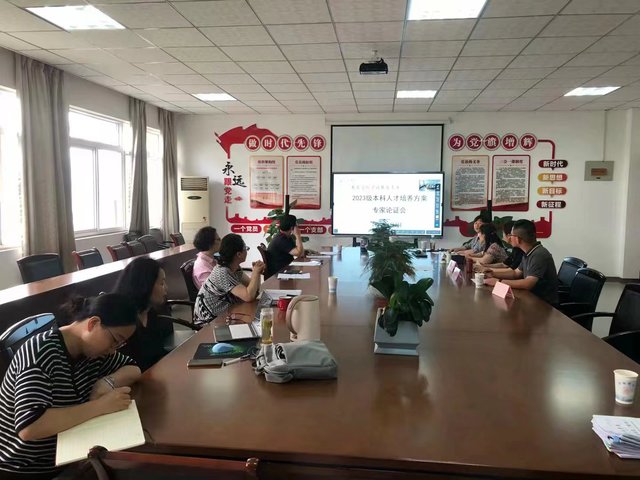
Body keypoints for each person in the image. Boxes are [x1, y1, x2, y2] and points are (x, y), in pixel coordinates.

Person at [0, 294, 140, 479]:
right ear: (93, 323)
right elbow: (29, 427)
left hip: (71, 451)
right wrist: (99, 406)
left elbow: (133, 369)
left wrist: (106, 382)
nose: (113, 349)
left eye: (120, 344)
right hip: (28, 468)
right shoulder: (40, 353)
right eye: (115, 340)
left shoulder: (91, 350)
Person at [113, 257, 173, 371]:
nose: (166, 288)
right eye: (161, 283)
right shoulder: (122, 322)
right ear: (145, 285)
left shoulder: (152, 312)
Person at [483, 220, 559, 305]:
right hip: (530, 298)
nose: (509, 237)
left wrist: (499, 282)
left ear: (517, 239)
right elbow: (516, 273)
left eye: (511, 235)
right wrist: (493, 274)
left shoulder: (539, 254)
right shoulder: (528, 252)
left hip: (544, 304)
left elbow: (528, 283)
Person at [194, 234, 265, 324]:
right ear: (239, 254)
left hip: (226, 314)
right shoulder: (222, 272)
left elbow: (252, 290)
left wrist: (257, 273)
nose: (247, 251)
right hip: (209, 322)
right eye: (246, 248)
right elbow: (248, 296)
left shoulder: (234, 268)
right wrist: (255, 272)